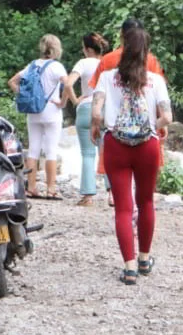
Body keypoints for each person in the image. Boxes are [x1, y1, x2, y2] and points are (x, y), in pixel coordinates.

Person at [91, 24, 172, 285]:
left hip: (116, 144)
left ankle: (128, 267)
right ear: (145, 51)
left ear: (123, 47)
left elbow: (96, 112)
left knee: (123, 208)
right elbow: (167, 117)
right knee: (146, 201)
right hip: (147, 146)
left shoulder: (106, 77)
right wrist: (152, 127)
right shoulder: (155, 80)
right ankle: (145, 259)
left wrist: (97, 127)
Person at [89, 18, 168, 203]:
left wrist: (95, 123)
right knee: (145, 198)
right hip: (146, 129)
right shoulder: (151, 60)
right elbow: (159, 98)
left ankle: (113, 194)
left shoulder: (108, 60)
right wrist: (161, 125)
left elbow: (96, 93)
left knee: (118, 175)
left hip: (115, 129)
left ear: (121, 35)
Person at [8, 34, 73, 200]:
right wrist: (63, 102)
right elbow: (68, 84)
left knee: (33, 149)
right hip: (51, 111)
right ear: (57, 48)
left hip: (33, 112)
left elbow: (12, 82)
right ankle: (51, 189)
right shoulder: (57, 66)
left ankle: (31, 188)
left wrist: (24, 95)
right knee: (51, 151)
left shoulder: (32, 65)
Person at [65, 32, 109, 206]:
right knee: (107, 154)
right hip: (104, 110)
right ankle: (112, 195)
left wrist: (76, 100)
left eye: (83, 48)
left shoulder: (83, 63)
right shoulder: (107, 64)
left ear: (88, 49)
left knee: (87, 154)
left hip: (85, 109)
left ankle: (88, 196)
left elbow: (68, 83)